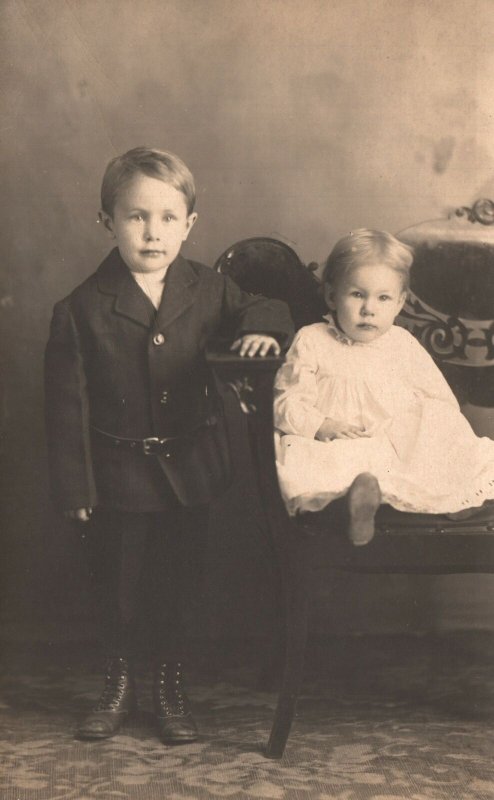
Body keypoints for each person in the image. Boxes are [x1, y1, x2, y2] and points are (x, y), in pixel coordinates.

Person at [45, 146, 293, 744]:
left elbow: (270, 305)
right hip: (117, 474)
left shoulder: (208, 287)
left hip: (192, 469)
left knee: (181, 582)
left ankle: (169, 688)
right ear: (108, 221)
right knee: (119, 586)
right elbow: (65, 407)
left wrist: (260, 328)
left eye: (166, 218)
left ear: (189, 224)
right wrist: (77, 486)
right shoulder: (81, 308)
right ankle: (120, 682)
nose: (152, 233)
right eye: (135, 217)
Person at [274, 228, 494, 546]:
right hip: (342, 437)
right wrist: (321, 424)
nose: (369, 309)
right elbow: (287, 398)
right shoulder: (312, 340)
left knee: (436, 418)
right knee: (325, 461)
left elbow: (438, 396)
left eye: (383, 298)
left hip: (398, 443)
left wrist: (424, 427)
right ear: (332, 296)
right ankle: (355, 507)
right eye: (357, 294)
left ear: (399, 302)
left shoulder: (401, 343)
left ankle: (457, 492)